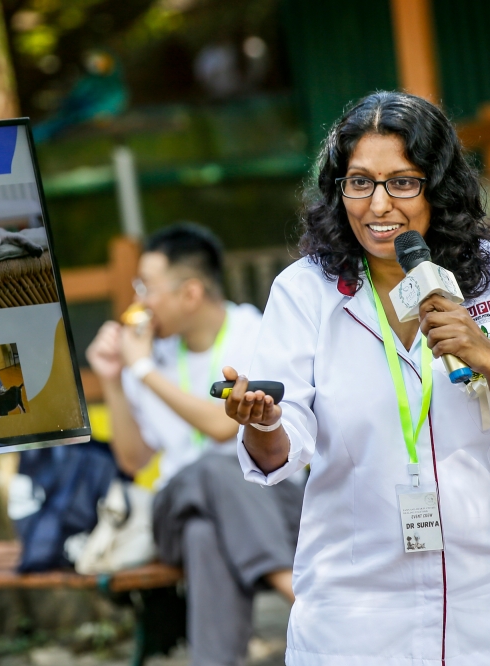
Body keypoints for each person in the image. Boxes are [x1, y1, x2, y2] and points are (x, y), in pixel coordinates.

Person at [223, 91, 490, 666]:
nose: (378, 205)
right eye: (359, 182)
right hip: (359, 622)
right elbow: (282, 450)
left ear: (438, 185)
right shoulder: (304, 290)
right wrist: (263, 422)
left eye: (403, 183)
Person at [86, 222, 304, 666]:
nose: (138, 301)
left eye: (147, 287)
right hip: (174, 509)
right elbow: (133, 458)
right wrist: (114, 378)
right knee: (209, 472)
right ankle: (300, 597)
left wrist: (143, 370)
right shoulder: (150, 356)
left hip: (271, 502)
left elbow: (227, 428)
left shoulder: (253, 332)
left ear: (189, 294)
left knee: (206, 533)